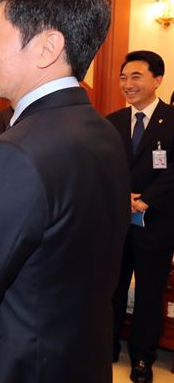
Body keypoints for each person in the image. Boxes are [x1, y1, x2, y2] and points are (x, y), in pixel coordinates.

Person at [0, 0, 130, 383]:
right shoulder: (105, 132)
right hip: (83, 357)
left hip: (17, 366)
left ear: (47, 47)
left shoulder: (11, 153)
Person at [108, 50, 174, 383]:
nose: (127, 84)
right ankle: (107, 347)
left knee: (149, 294)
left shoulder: (172, 119)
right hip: (117, 223)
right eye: (123, 77)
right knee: (112, 288)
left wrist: (146, 200)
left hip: (157, 224)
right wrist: (122, 197)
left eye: (136, 76)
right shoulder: (112, 122)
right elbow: (102, 167)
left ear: (157, 79)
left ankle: (143, 358)